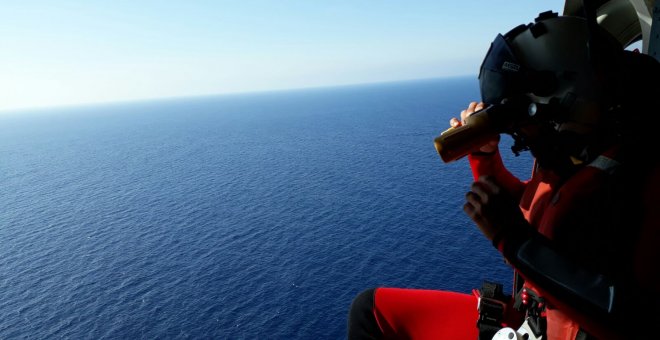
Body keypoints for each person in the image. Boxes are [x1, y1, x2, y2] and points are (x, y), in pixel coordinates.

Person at [347, 10, 660, 340]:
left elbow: (636, 318)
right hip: (538, 320)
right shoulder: (588, 160)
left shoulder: (643, 177)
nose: (526, 139)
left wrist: (513, 240)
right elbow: (539, 208)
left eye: (528, 126)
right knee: (372, 311)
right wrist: (484, 158)